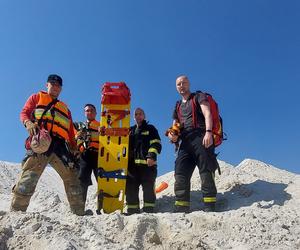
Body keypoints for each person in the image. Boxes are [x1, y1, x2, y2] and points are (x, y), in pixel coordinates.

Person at [10, 74, 85, 215]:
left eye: (58, 85)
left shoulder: (66, 109)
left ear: (61, 88)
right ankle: (16, 213)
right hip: (42, 140)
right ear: (47, 85)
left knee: (72, 176)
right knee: (30, 176)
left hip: (61, 146)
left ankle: (79, 214)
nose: (55, 87)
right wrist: (28, 122)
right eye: (53, 84)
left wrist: (74, 147)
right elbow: (24, 112)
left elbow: (69, 131)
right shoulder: (36, 97)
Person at [168, 75, 219, 213]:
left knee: (205, 168)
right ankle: (181, 206)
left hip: (201, 136)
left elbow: (207, 113)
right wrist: (173, 136)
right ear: (176, 87)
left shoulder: (198, 97)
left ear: (189, 84)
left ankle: (210, 205)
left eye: (184, 82)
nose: (181, 85)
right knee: (180, 171)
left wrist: (208, 132)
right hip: (185, 142)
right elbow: (175, 126)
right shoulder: (177, 106)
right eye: (178, 84)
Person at [126, 108, 162, 214]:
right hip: (132, 167)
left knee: (148, 188)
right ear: (134, 117)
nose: (138, 116)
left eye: (140, 114)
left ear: (144, 116)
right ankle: (132, 210)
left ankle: (148, 210)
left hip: (148, 166)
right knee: (131, 189)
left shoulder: (151, 129)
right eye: (136, 114)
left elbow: (156, 143)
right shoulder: (130, 130)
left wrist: (151, 156)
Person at [74, 104, 99, 212]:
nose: (89, 112)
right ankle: (80, 208)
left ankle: (105, 208)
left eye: (91, 110)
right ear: (84, 113)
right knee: (82, 180)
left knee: (103, 181)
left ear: (95, 112)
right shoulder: (79, 126)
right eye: (87, 111)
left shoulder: (101, 125)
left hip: (99, 156)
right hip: (85, 155)